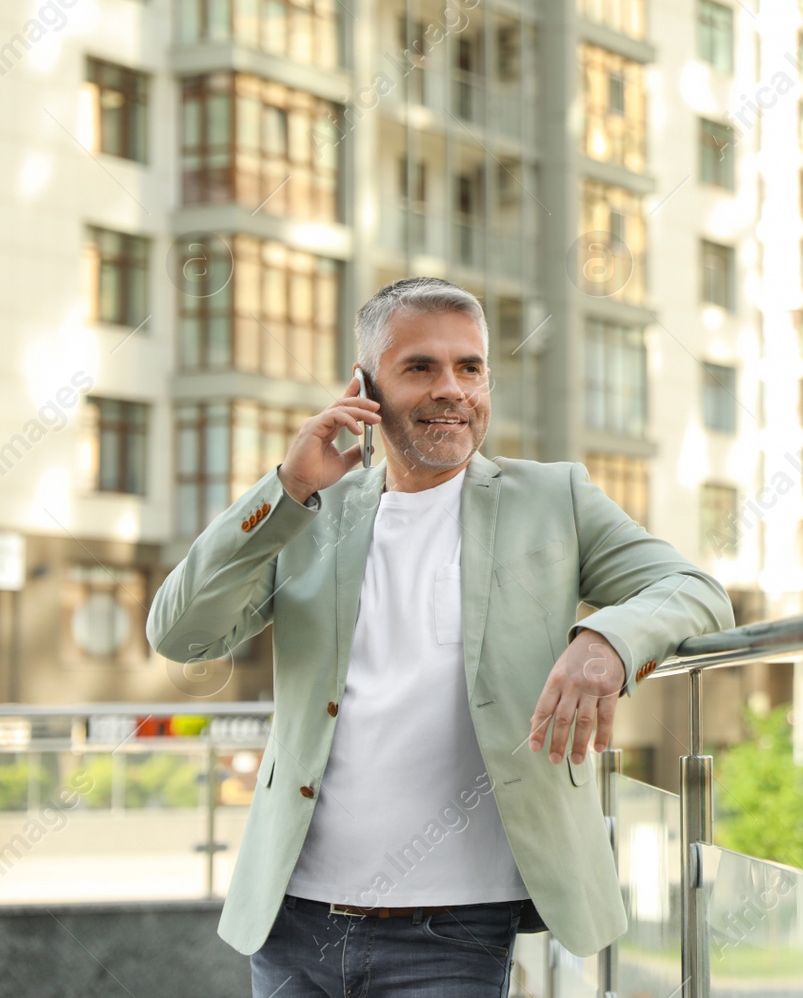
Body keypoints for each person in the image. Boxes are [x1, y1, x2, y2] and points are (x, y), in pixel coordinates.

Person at [147, 278, 734, 997]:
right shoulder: (307, 512)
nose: (451, 388)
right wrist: (285, 488)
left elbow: (697, 591)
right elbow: (180, 633)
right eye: (420, 367)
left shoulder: (556, 498)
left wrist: (604, 640)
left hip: (452, 934)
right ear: (364, 386)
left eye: (471, 367)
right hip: (293, 922)